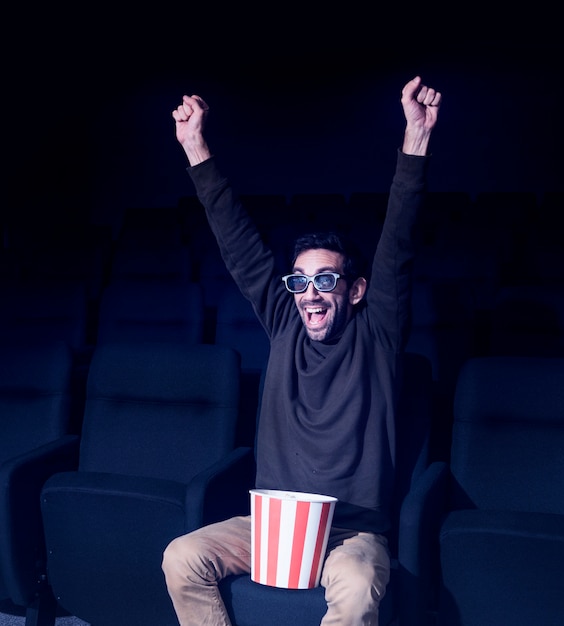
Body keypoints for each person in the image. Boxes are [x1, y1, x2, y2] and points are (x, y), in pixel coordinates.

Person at [162, 75, 442, 626]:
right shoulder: (286, 325)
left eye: (325, 281)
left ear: (356, 290)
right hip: (274, 528)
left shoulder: (378, 335)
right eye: (298, 282)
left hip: (351, 531)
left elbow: (399, 242)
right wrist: (195, 145)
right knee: (183, 557)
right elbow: (238, 242)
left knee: (359, 586)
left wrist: (417, 137)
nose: (309, 294)